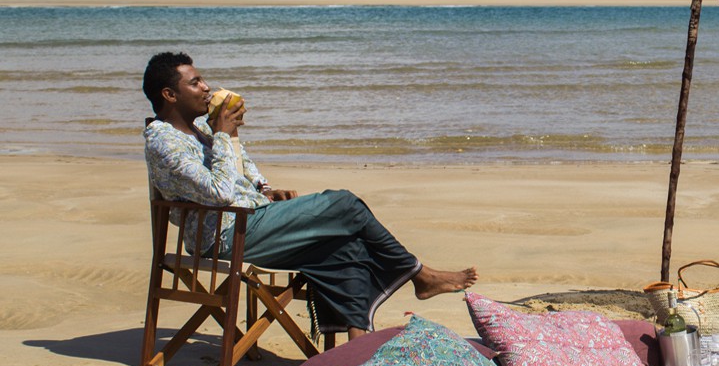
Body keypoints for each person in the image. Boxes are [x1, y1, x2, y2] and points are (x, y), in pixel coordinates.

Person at [142, 51, 476, 340]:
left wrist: (265, 189)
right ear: (170, 95)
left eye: (203, 80)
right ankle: (420, 274)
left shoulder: (202, 129)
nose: (206, 87)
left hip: (253, 219)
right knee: (345, 205)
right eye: (195, 82)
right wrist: (224, 136)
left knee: (344, 245)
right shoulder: (163, 140)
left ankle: (358, 341)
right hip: (225, 235)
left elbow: (242, 172)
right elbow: (220, 191)